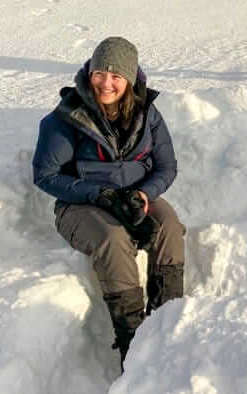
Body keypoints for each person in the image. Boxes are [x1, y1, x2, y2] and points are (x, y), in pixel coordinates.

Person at [32, 37, 185, 371]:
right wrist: (98, 194)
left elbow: (166, 166)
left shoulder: (148, 113)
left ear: (129, 79)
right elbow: (45, 175)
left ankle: (168, 322)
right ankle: (133, 342)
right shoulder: (66, 117)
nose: (106, 83)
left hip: (134, 196)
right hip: (80, 204)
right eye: (100, 73)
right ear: (90, 73)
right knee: (113, 240)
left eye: (116, 76)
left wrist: (144, 193)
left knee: (169, 225)